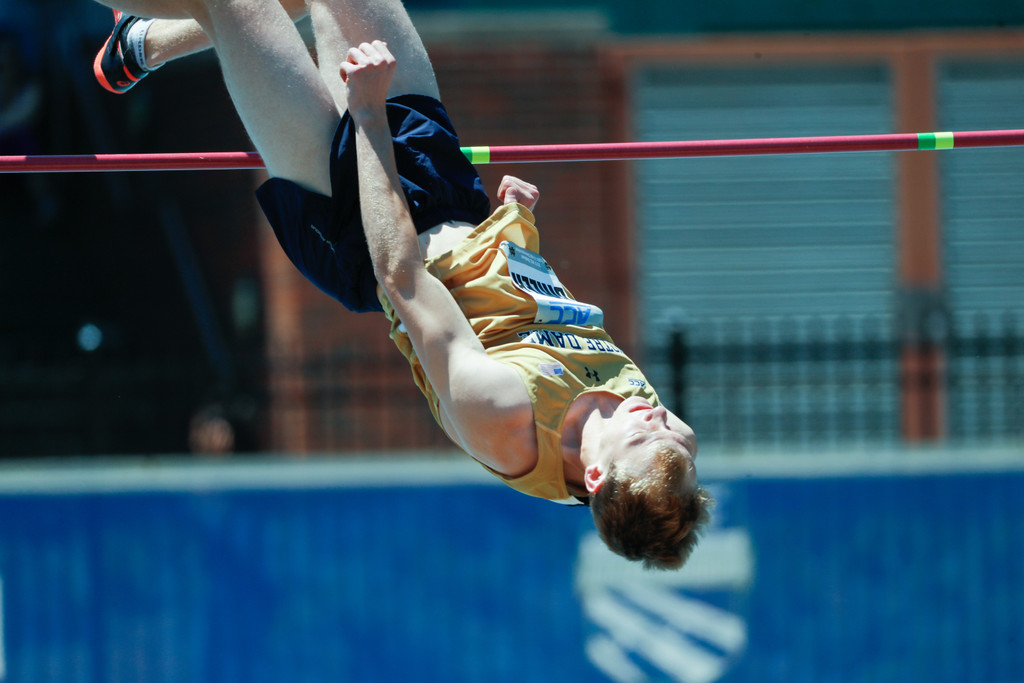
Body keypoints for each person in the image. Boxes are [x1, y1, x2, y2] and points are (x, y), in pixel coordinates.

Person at [90, 0, 713, 570]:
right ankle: (145, 45)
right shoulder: (660, 435)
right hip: (451, 196)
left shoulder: (504, 419)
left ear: (596, 475)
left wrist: (366, 114)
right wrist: (516, 233)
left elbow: (402, 277)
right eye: (671, 432)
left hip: (360, 225)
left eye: (644, 433)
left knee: (236, 4)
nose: (656, 415)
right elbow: (537, 320)